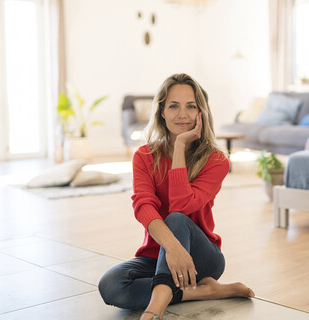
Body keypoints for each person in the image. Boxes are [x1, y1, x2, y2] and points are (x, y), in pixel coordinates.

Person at [98, 73, 254, 320]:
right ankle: (205, 292)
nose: (182, 114)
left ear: (200, 112)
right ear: (161, 111)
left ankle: (154, 310)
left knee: (177, 219)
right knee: (110, 285)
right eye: (173, 106)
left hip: (203, 260)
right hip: (159, 253)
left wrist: (180, 146)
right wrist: (171, 247)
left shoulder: (216, 160)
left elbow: (181, 206)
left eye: (191, 106)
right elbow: (143, 206)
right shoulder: (144, 156)